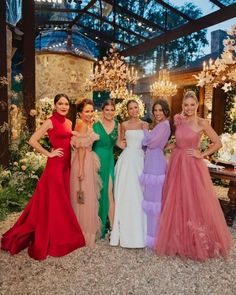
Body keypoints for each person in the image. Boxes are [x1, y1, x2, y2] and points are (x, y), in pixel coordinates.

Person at [1, 94, 85, 260]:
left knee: (58, 201)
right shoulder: (50, 121)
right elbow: (32, 140)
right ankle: (57, 236)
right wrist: (49, 153)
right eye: (60, 103)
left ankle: (59, 232)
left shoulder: (68, 122)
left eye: (66, 104)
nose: (63, 106)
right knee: (57, 202)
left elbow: (70, 139)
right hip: (54, 167)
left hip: (65, 167)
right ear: (55, 105)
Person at [155, 91, 232, 261]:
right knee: (177, 198)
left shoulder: (202, 122)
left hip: (192, 165)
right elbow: (178, 141)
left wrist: (201, 154)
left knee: (195, 200)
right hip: (176, 162)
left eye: (192, 105)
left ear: (197, 106)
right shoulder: (179, 120)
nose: (188, 108)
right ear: (182, 106)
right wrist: (166, 146)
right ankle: (178, 237)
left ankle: (197, 239)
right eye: (185, 105)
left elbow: (218, 143)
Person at [110, 99, 148, 248]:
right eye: (131, 108)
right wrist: (123, 146)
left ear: (139, 109)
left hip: (140, 159)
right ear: (127, 110)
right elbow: (119, 142)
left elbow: (147, 143)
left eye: (135, 107)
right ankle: (124, 229)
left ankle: (140, 230)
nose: (133, 110)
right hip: (127, 160)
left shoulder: (145, 124)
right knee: (126, 193)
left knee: (140, 193)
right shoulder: (124, 125)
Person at [139, 99, 171, 248]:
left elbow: (150, 143)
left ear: (166, 111)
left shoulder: (164, 126)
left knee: (155, 201)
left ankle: (155, 237)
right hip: (152, 161)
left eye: (160, 110)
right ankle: (149, 232)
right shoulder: (159, 125)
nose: (158, 113)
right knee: (151, 198)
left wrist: (145, 130)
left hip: (156, 164)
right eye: (155, 110)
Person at [70, 98, 101, 247]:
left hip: (87, 160)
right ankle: (83, 232)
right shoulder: (82, 125)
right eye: (86, 111)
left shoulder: (87, 124)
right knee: (83, 195)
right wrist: (81, 169)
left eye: (91, 110)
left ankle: (83, 231)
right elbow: (81, 149)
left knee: (84, 195)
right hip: (83, 162)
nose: (89, 113)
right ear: (80, 113)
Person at [93, 100, 123, 239]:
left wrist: (135, 147)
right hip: (96, 161)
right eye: (107, 110)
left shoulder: (118, 125)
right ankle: (96, 225)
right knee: (97, 192)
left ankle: (112, 227)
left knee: (109, 192)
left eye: (112, 110)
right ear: (102, 110)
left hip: (109, 160)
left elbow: (118, 142)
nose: (110, 112)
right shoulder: (95, 125)